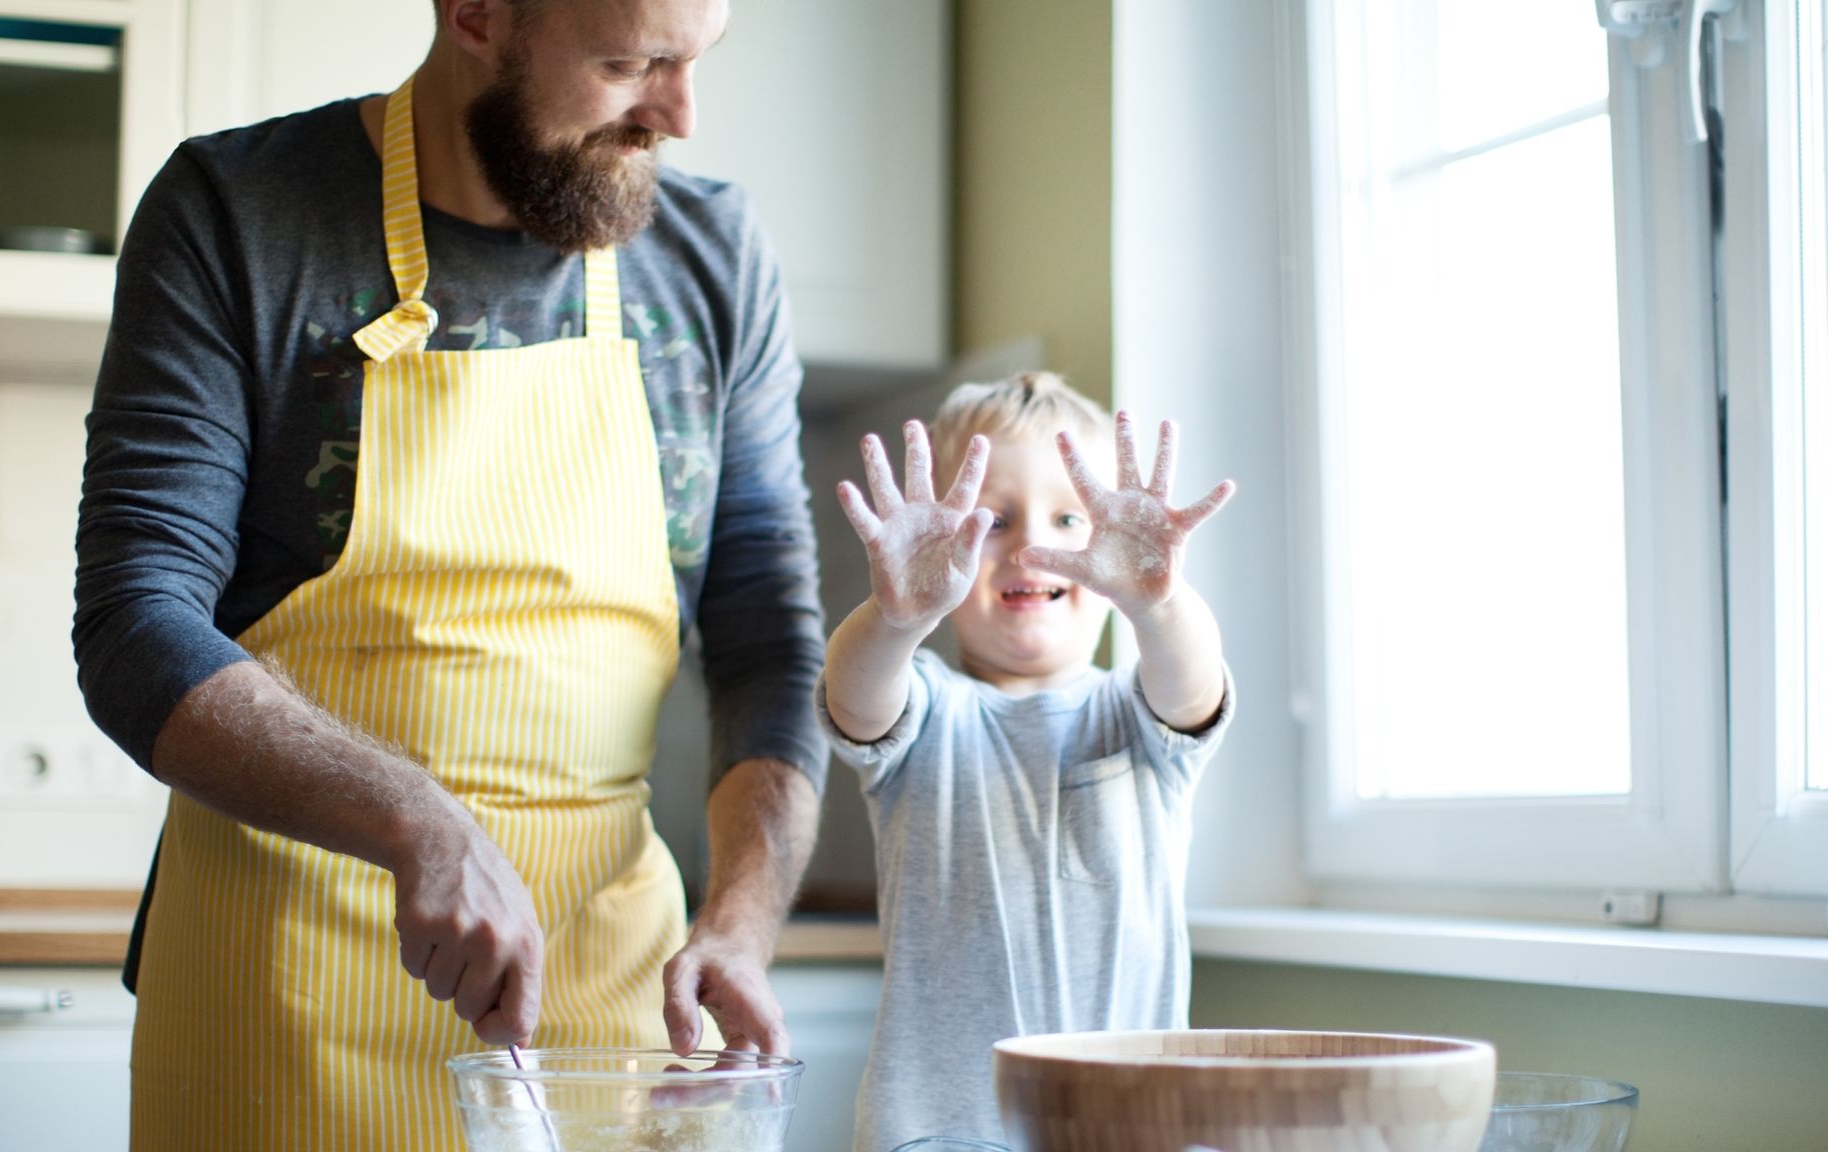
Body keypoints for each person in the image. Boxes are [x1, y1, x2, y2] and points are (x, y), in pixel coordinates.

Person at [72, 0, 828, 1146]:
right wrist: (419, 823)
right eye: (631, 63)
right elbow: (135, 626)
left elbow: (771, 634)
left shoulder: (715, 257)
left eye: (696, 61)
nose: (676, 114)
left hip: (604, 1010)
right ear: (475, 14)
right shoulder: (238, 211)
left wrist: (742, 917)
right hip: (284, 989)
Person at [817, 372, 1237, 1150]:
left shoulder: (1139, 714)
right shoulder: (929, 710)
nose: (1028, 548)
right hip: (940, 1134)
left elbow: (1195, 679)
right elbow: (854, 694)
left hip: (1137, 1130)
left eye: (1068, 518)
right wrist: (893, 616)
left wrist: (1159, 601)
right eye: (992, 520)